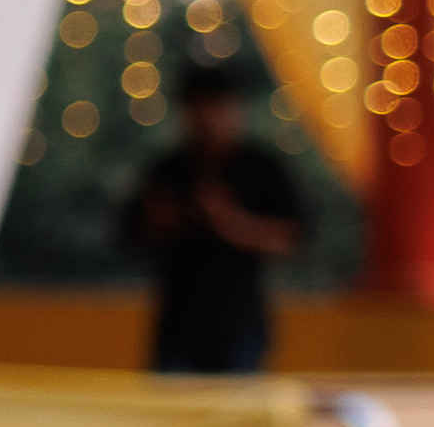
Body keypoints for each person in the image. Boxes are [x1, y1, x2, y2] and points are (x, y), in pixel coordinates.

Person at [122, 62, 304, 375]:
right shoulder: (168, 170)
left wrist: (231, 222)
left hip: (240, 324)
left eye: (217, 108)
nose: (208, 119)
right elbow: (130, 234)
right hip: (178, 325)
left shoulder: (262, 169)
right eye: (199, 109)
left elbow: (291, 238)